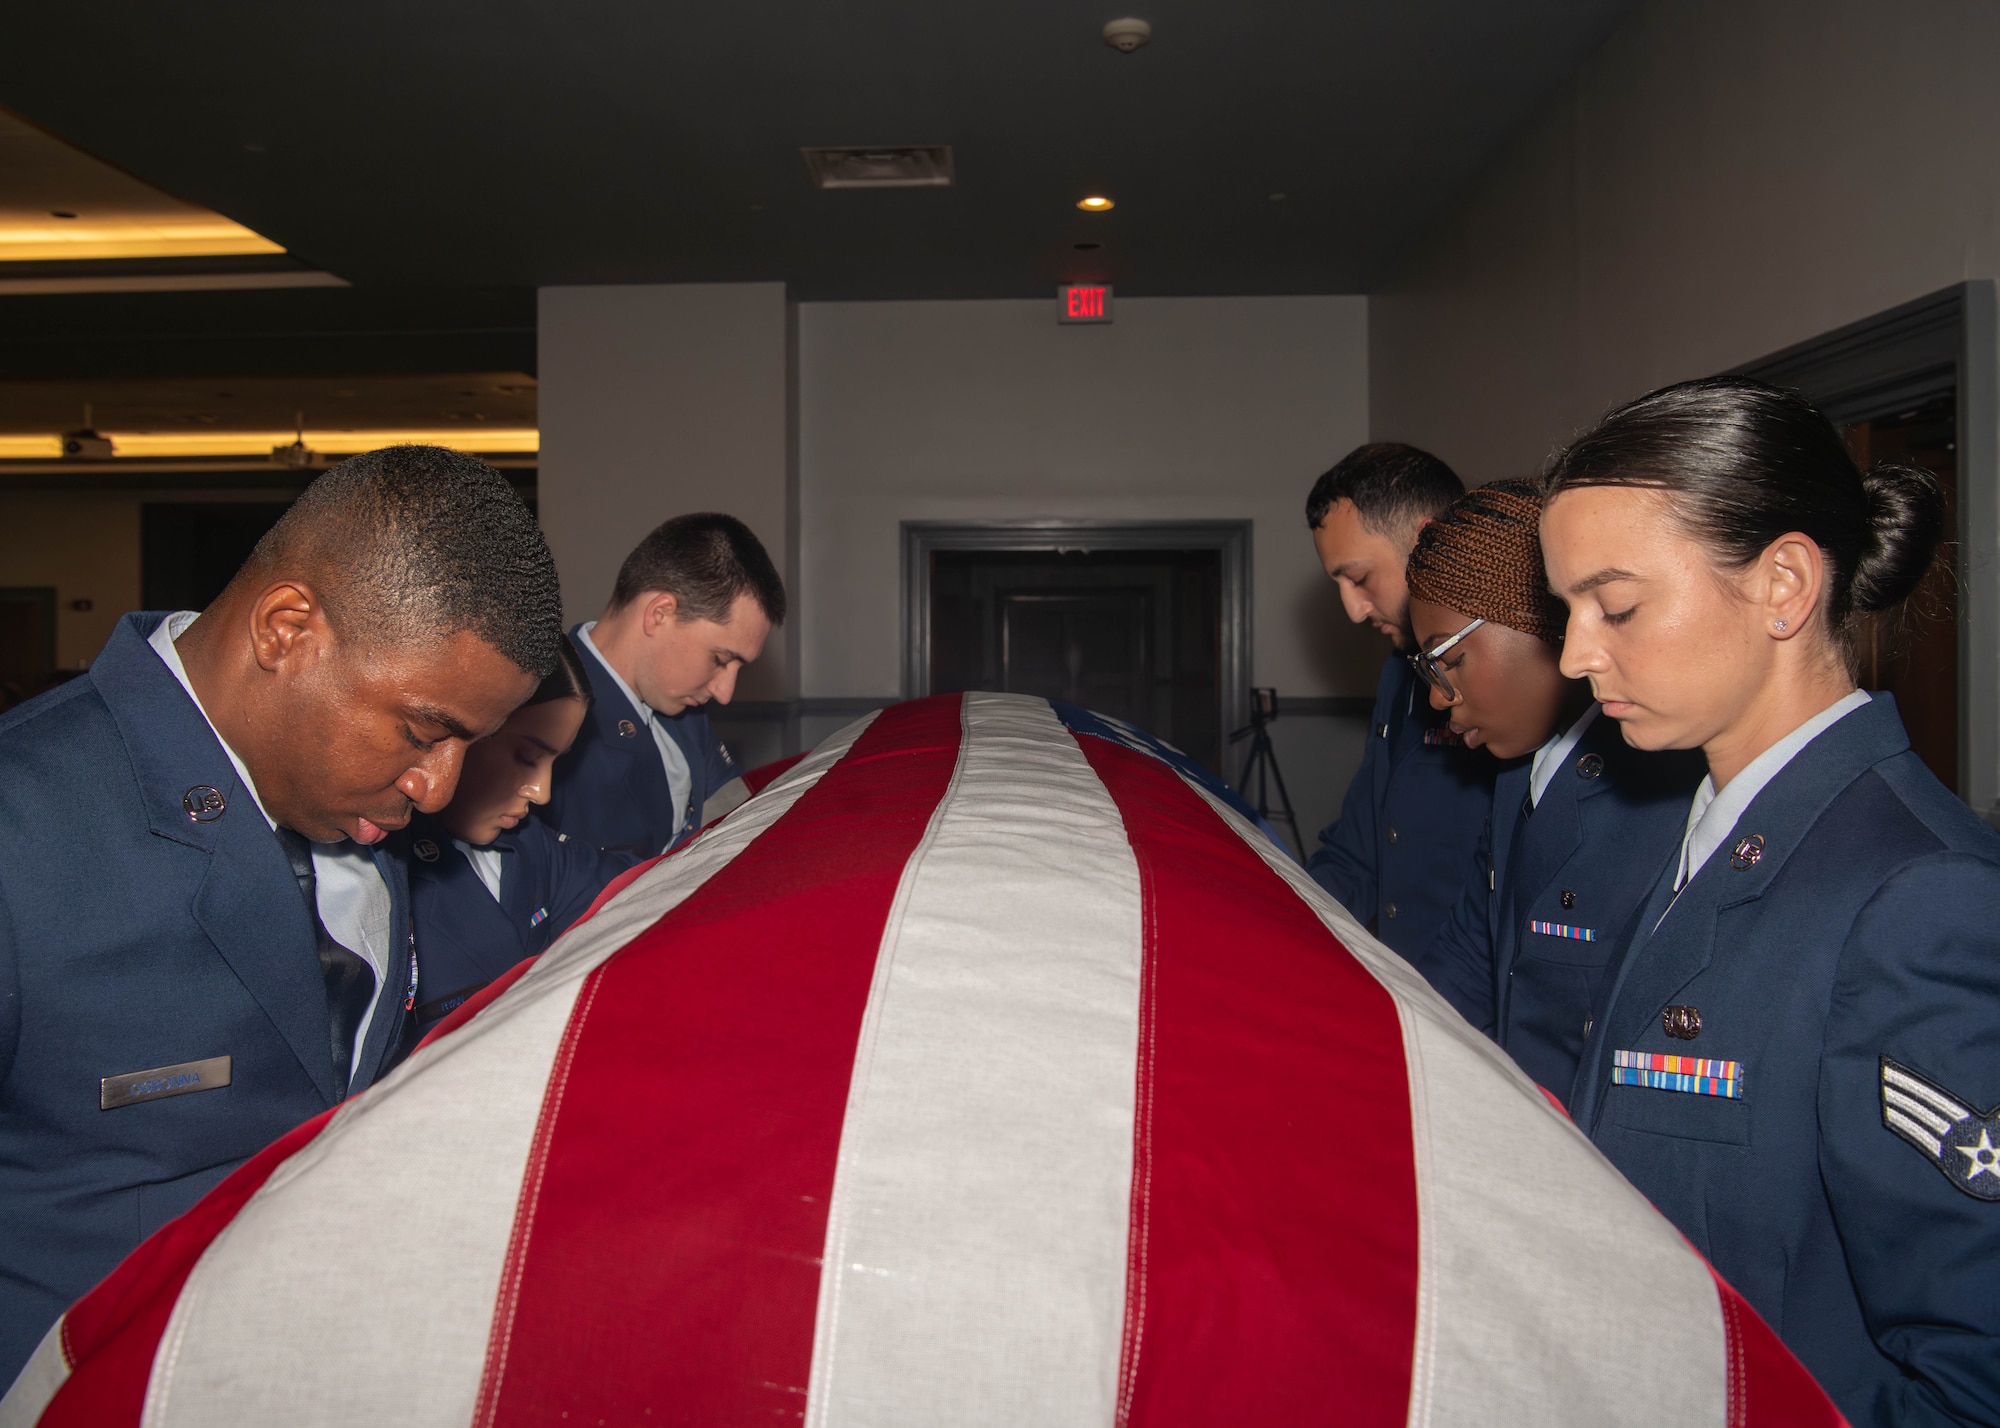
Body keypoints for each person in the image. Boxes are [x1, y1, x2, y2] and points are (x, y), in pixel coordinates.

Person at [0, 445, 562, 1385]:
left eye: (470, 744)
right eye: (422, 732)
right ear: (287, 629)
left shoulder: (352, 808)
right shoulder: (23, 829)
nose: (437, 787)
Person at [1542, 377, 2000, 1425]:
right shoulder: (1693, 833)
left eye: (1616, 607)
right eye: (1568, 611)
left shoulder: (1920, 898)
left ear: (1783, 584)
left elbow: (1969, 1385)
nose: (1574, 655)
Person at [1402, 479, 1701, 1094]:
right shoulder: (1521, 772)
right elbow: (1469, 961)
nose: (1436, 697)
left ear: (1542, 621)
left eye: (1448, 661)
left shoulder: (1659, 792)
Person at [1303, 443, 1496, 958]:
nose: (1352, 610)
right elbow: (1359, 849)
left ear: (1426, 542)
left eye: (1359, 578)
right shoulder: (1399, 671)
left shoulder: (1514, 689)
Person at [404, 638, 635, 1032]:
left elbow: (650, 883)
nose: (541, 792)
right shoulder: (382, 873)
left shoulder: (530, 845)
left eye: (554, 763)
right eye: (528, 757)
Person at [547, 513, 786, 858]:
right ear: (659, 613)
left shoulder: (682, 706)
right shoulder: (545, 714)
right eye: (719, 659)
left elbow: (732, 813)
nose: (725, 693)